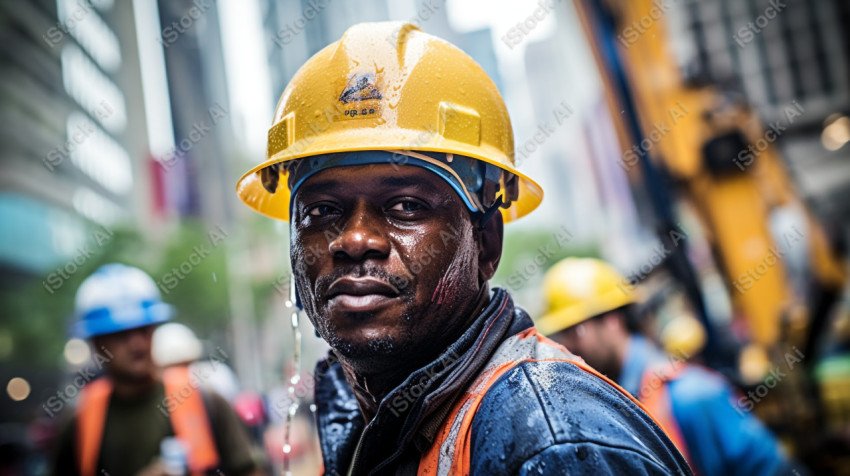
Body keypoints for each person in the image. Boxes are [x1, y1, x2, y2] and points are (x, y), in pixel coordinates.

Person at [235, 21, 691, 475]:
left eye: (406, 206)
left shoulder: (551, 448)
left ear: (487, 241)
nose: (355, 240)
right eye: (320, 212)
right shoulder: (372, 427)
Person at [536, 257, 796, 476]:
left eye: (576, 330)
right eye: (561, 334)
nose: (568, 344)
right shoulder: (603, 405)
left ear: (613, 320)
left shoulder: (690, 395)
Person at [51, 264, 258, 475]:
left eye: (143, 329)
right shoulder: (80, 421)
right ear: (96, 343)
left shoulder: (206, 401)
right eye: (121, 334)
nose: (137, 344)